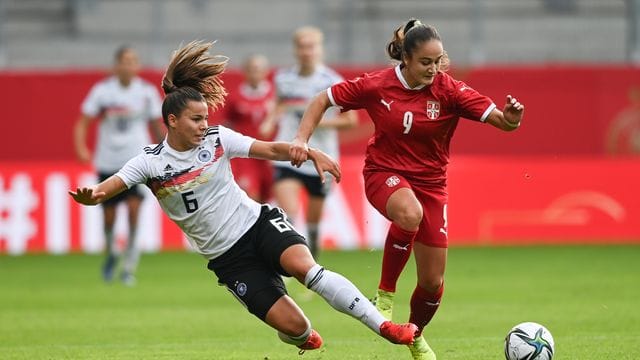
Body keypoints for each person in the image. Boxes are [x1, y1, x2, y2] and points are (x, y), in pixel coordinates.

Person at [69, 41, 418, 353]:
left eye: (206, 117)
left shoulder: (217, 139)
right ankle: (300, 337)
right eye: (195, 119)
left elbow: (270, 148)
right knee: (298, 329)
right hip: (228, 258)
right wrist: (93, 195)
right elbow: (110, 185)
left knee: (306, 268)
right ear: (172, 120)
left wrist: (307, 151)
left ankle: (385, 327)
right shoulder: (150, 162)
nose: (204, 125)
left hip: (257, 224)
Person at [289, 19, 525, 360]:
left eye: (438, 61)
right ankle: (385, 294)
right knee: (409, 213)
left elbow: (503, 122)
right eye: (425, 62)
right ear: (407, 60)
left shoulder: (450, 91)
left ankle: (414, 334)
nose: (433, 69)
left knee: (432, 282)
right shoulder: (377, 85)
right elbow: (322, 99)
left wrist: (513, 117)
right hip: (383, 174)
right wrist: (301, 139)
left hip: (432, 186)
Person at [260, 26, 357, 259]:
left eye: (311, 47)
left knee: (313, 223)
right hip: (288, 152)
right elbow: (279, 104)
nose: (306, 52)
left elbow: (351, 120)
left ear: (319, 50)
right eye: (302, 47)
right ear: (296, 50)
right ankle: (288, 260)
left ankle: (311, 255)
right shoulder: (284, 78)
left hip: (320, 158)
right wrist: (270, 118)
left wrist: (318, 123)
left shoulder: (332, 81)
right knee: (288, 214)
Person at [73, 45, 165, 285]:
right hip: (108, 160)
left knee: (134, 213)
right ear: (116, 65)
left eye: (132, 60)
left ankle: (129, 267)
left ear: (138, 66)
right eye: (124, 60)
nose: (128, 65)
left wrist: (166, 152)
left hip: (137, 161)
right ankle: (113, 251)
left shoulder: (146, 93)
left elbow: (157, 126)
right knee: (109, 217)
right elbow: (83, 122)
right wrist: (82, 147)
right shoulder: (102, 91)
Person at [223, 54, 276, 202]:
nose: (255, 73)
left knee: (268, 199)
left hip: (271, 154)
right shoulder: (235, 96)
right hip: (246, 155)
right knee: (250, 195)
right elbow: (228, 124)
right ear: (245, 71)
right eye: (251, 69)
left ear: (266, 72)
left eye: (258, 69)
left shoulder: (276, 96)